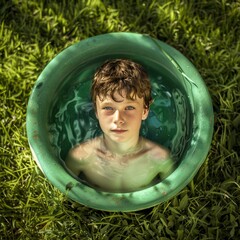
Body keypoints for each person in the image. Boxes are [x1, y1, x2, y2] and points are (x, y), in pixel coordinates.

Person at [65, 59, 173, 192]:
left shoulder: (159, 159)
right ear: (96, 112)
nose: (118, 119)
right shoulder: (80, 157)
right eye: (108, 108)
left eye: (129, 107)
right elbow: (68, 191)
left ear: (145, 111)